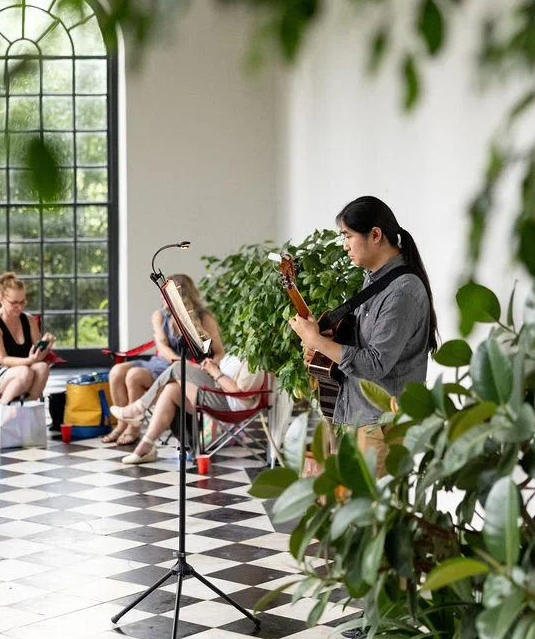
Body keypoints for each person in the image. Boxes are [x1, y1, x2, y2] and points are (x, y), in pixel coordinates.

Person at [288, 195, 437, 475]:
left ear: (376, 235)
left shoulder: (403, 291)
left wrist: (316, 341)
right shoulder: (375, 280)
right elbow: (362, 345)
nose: (344, 245)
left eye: (348, 236)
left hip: (383, 426)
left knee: (370, 503)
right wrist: (327, 343)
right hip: (362, 418)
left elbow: (375, 363)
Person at [102, 274, 223, 446]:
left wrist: (212, 365)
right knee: (116, 371)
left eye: (165, 293)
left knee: (134, 376)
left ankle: (133, 428)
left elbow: (219, 352)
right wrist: (179, 361)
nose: (161, 296)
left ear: (179, 296)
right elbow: (163, 347)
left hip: (190, 369)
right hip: (162, 363)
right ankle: (122, 424)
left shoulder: (204, 318)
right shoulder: (160, 315)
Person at [109, 353, 264, 465]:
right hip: (219, 390)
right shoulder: (244, 350)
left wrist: (214, 371)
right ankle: (145, 446)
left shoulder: (256, 356)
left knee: (178, 367)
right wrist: (211, 368)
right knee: (171, 389)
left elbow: (239, 391)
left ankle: (138, 409)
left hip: (229, 403)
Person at [0, 272, 54, 404]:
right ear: (1, 298)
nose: (20, 307)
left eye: (22, 302)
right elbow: (2, 359)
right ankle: (3, 413)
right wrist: (29, 360)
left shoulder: (30, 321)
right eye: (14, 303)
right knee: (25, 373)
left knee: (42, 368)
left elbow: (36, 356)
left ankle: (25, 409)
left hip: (20, 368)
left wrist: (44, 348)